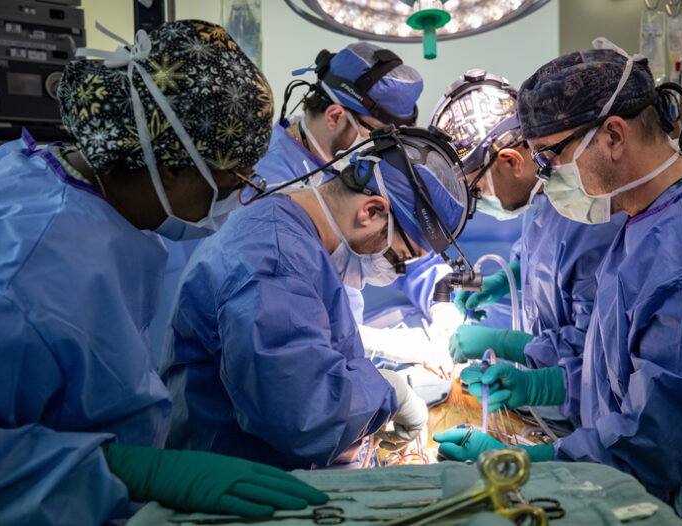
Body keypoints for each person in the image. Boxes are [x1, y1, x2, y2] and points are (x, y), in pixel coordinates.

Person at [0, 20, 327, 525]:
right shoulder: (29, 268)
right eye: (231, 182)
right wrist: (122, 470)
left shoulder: (77, 192)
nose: (235, 200)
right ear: (169, 165)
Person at [439, 40, 682, 525]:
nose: (546, 180)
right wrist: (547, 384)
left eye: (551, 159)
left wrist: (531, 465)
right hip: (639, 475)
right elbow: (619, 378)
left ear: (613, 136)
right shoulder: (643, 221)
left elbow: (660, 437)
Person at [161, 127, 471, 470]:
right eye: (398, 259)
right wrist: (389, 391)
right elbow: (302, 414)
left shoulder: (296, 236)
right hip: (237, 486)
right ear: (370, 212)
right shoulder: (275, 262)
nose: (395, 274)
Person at [434, 69, 625, 422]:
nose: (476, 202)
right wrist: (501, 282)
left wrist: (505, 342)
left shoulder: (590, 214)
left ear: (510, 161)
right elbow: (541, 258)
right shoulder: (547, 198)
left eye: (476, 190)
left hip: (592, 412)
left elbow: (596, 352)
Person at [256, 42, 422, 328]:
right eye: (376, 135)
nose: (382, 150)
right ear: (334, 116)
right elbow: (277, 314)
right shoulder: (267, 182)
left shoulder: (342, 171)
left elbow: (400, 239)